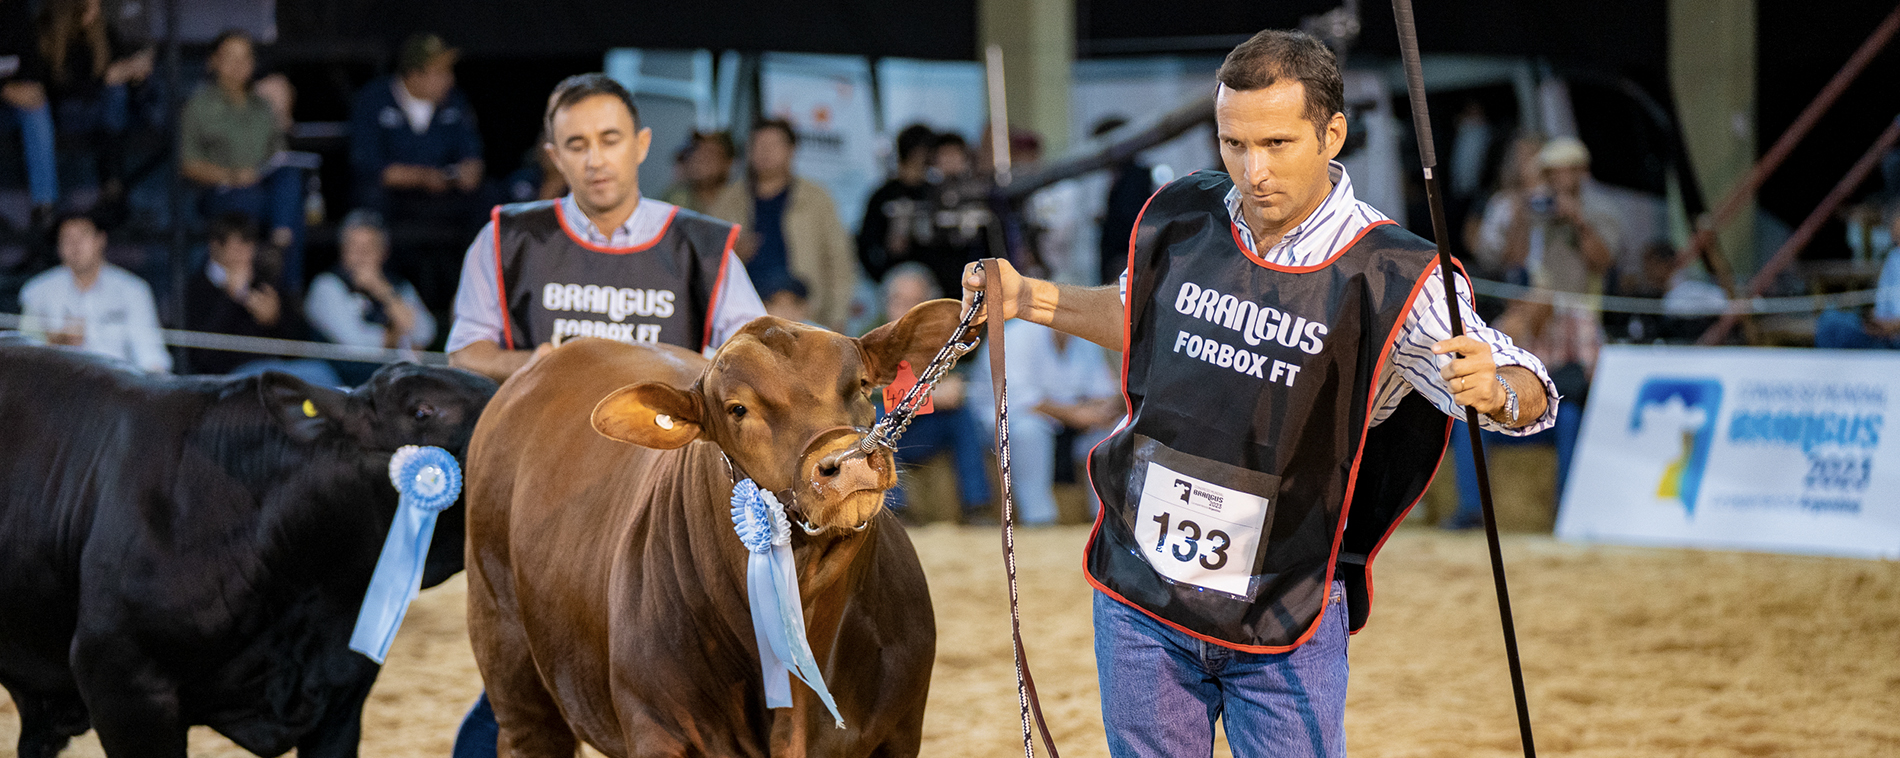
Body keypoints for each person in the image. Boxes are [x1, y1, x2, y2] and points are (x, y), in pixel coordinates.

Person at [962, 30, 1554, 758]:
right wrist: (1028, 297)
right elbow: (1138, 312)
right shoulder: (1186, 216)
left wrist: (1498, 394)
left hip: (1287, 608)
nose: (1253, 170)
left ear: (1332, 133)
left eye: (1276, 143)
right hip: (1143, 592)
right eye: (1233, 145)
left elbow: (1524, 381)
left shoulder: (1396, 274)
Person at [446, 71, 766, 756]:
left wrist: (667, 365)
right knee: (527, 673)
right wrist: (541, 363)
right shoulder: (507, 240)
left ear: (642, 144)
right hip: (551, 497)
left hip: (663, 506)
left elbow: (753, 361)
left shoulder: (703, 247)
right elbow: (466, 354)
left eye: (610, 139)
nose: (595, 157)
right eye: (577, 144)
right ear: (553, 154)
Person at [180, 30, 306, 292]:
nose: (238, 65)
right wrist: (233, 176)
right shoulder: (199, 106)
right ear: (213, 61)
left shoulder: (262, 105)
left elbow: (278, 156)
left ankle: (280, 256)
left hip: (262, 187)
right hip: (222, 191)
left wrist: (285, 118)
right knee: (255, 202)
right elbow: (188, 164)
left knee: (291, 182)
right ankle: (267, 282)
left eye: (245, 57)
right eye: (230, 57)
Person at [707, 119, 857, 331]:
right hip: (744, 319)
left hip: (805, 318)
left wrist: (838, 317)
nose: (765, 152)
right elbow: (707, 264)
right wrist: (734, 253)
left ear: (791, 150)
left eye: (773, 145)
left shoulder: (817, 199)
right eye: (758, 145)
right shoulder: (728, 200)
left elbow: (840, 262)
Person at [874, 262, 992, 524]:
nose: (908, 310)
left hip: (926, 427)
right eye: (900, 301)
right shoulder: (871, 336)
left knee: (963, 417)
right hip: (888, 430)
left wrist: (939, 395)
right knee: (877, 418)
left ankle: (977, 506)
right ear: (886, 303)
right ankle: (897, 511)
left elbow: (958, 387)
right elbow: (871, 394)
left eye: (917, 302)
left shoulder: (942, 335)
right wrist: (930, 397)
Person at [184, 213, 336, 385]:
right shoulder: (195, 288)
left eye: (249, 245)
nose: (244, 254)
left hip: (276, 370)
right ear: (216, 246)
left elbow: (299, 344)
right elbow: (201, 357)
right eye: (237, 246)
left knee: (322, 373)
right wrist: (231, 300)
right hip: (229, 379)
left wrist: (275, 318)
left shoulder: (265, 281)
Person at [349, 33, 485, 221]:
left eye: (449, 71)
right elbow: (371, 167)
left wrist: (469, 172)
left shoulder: (455, 102)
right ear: (414, 75)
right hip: (395, 198)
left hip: (443, 195)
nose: (449, 80)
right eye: (439, 73)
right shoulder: (374, 100)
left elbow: (472, 155)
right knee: (371, 197)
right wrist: (423, 177)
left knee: (488, 195)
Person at [36, 0, 154, 211]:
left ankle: (113, 184)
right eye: (89, 6)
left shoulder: (102, 32)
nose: (97, 11)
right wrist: (103, 81)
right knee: (114, 99)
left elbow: (118, 67)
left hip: (102, 115)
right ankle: (112, 180)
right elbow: (54, 88)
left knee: (120, 98)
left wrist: (134, 73)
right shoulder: (46, 32)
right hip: (63, 114)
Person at [19, 210, 168, 372]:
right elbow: (24, 357)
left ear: (100, 240)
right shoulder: (36, 291)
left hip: (118, 389)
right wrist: (55, 343)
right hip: (59, 388)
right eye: (67, 239)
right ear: (58, 247)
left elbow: (151, 357)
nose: (75, 246)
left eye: (82, 236)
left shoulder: (133, 290)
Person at [304, 209, 435, 384]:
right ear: (342, 250)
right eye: (354, 247)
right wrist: (397, 338)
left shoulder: (397, 286)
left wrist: (383, 291)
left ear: (384, 252)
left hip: (390, 384)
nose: (361, 256)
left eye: (369, 248)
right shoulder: (327, 285)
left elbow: (424, 333)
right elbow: (356, 347)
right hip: (337, 385)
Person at [857, 123, 937, 282]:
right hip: (893, 282)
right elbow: (865, 243)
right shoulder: (883, 196)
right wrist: (881, 277)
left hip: (930, 283)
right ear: (919, 153)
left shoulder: (935, 193)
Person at [2, 0, 57, 226]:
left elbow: (32, 70)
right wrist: (4, 88)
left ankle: (44, 205)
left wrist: (21, 89)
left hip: (13, 106)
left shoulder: (16, 11)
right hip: (7, 93)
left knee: (37, 109)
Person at [1816, 201, 1900, 350]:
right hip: (1884, 334)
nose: (1894, 226)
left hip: (1895, 338)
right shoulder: (1893, 258)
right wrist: (1874, 321)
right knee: (1830, 320)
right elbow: (1882, 308)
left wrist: (1893, 325)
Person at [660, 129, 735, 214]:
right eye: (696, 150)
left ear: (727, 162)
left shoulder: (740, 199)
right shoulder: (676, 197)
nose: (699, 157)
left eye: (709, 153)